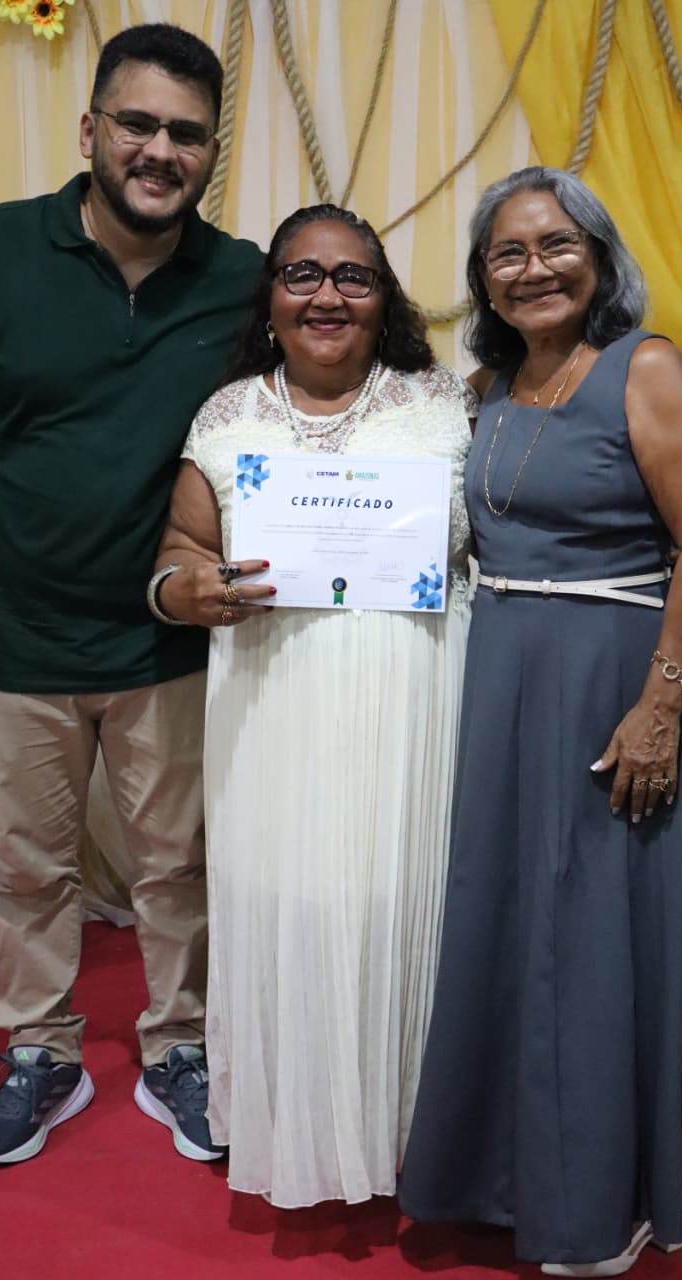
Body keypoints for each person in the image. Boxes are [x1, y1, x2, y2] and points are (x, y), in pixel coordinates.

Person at [0, 23, 262, 1166]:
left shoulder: (243, 279)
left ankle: (180, 1046)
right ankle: (41, 1047)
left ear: (211, 153)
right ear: (90, 130)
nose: (160, 150)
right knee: (26, 869)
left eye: (186, 134)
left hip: (172, 641)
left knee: (178, 868)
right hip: (12, 637)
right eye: (137, 123)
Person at [398, 166, 682, 1275]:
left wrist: (658, 706)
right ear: (482, 277)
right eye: (508, 251)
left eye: (555, 244)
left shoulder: (643, 368)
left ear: (596, 257)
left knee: (593, 941)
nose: (532, 268)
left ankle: (594, 1201)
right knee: (501, 922)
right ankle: (496, 1178)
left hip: (613, 684)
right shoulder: (490, 386)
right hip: (502, 675)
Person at [149, 203, 476, 1207]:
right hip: (274, 707)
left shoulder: (444, 402)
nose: (326, 295)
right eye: (302, 274)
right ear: (271, 297)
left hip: (415, 701)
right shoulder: (228, 417)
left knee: (400, 902)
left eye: (352, 276)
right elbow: (178, 553)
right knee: (287, 901)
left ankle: (413, 1134)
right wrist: (183, 590)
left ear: (383, 298)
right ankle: (298, 1130)